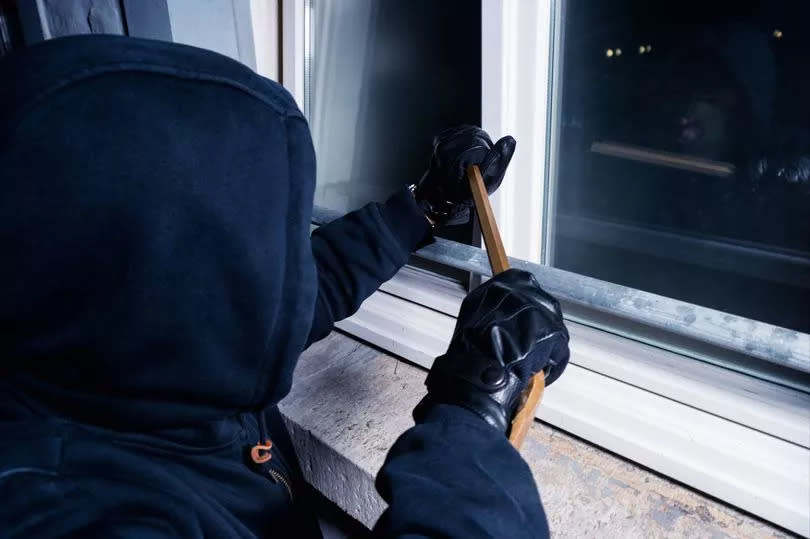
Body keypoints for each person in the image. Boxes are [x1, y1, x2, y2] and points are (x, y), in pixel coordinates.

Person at [0, 35, 570, 538]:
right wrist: (477, 405)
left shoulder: (119, 342)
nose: (275, 269)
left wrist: (425, 205)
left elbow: (279, 299)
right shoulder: (62, 509)